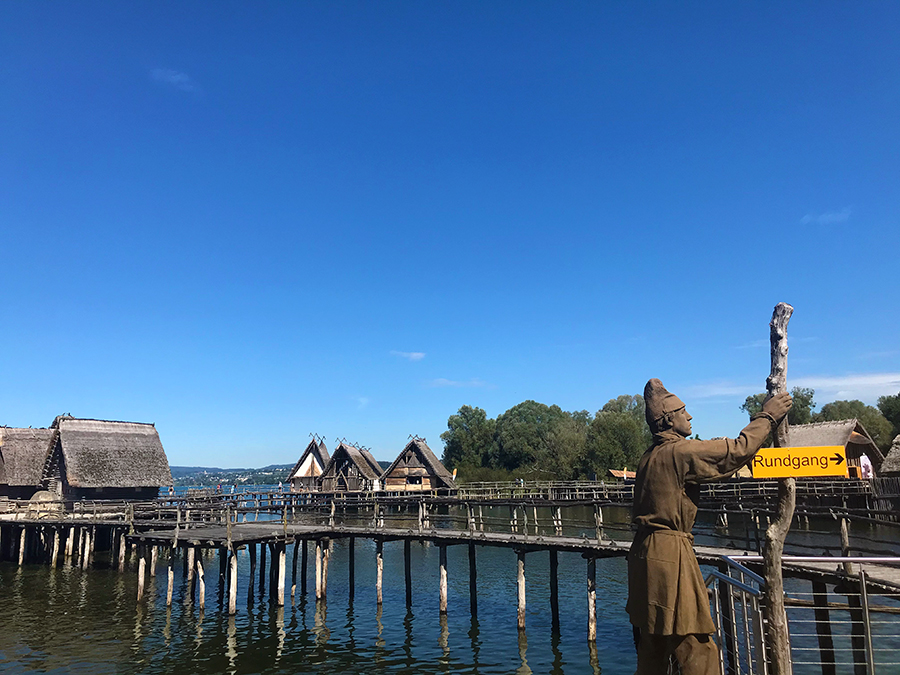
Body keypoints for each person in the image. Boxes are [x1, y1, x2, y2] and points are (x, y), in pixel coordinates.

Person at [627, 378, 792, 675]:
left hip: (643, 556)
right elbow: (736, 452)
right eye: (682, 412)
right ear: (668, 419)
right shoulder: (680, 452)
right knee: (697, 647)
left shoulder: (648, 458)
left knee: (652, 645)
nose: (689, 416)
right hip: (669, 556)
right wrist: (767, 416)